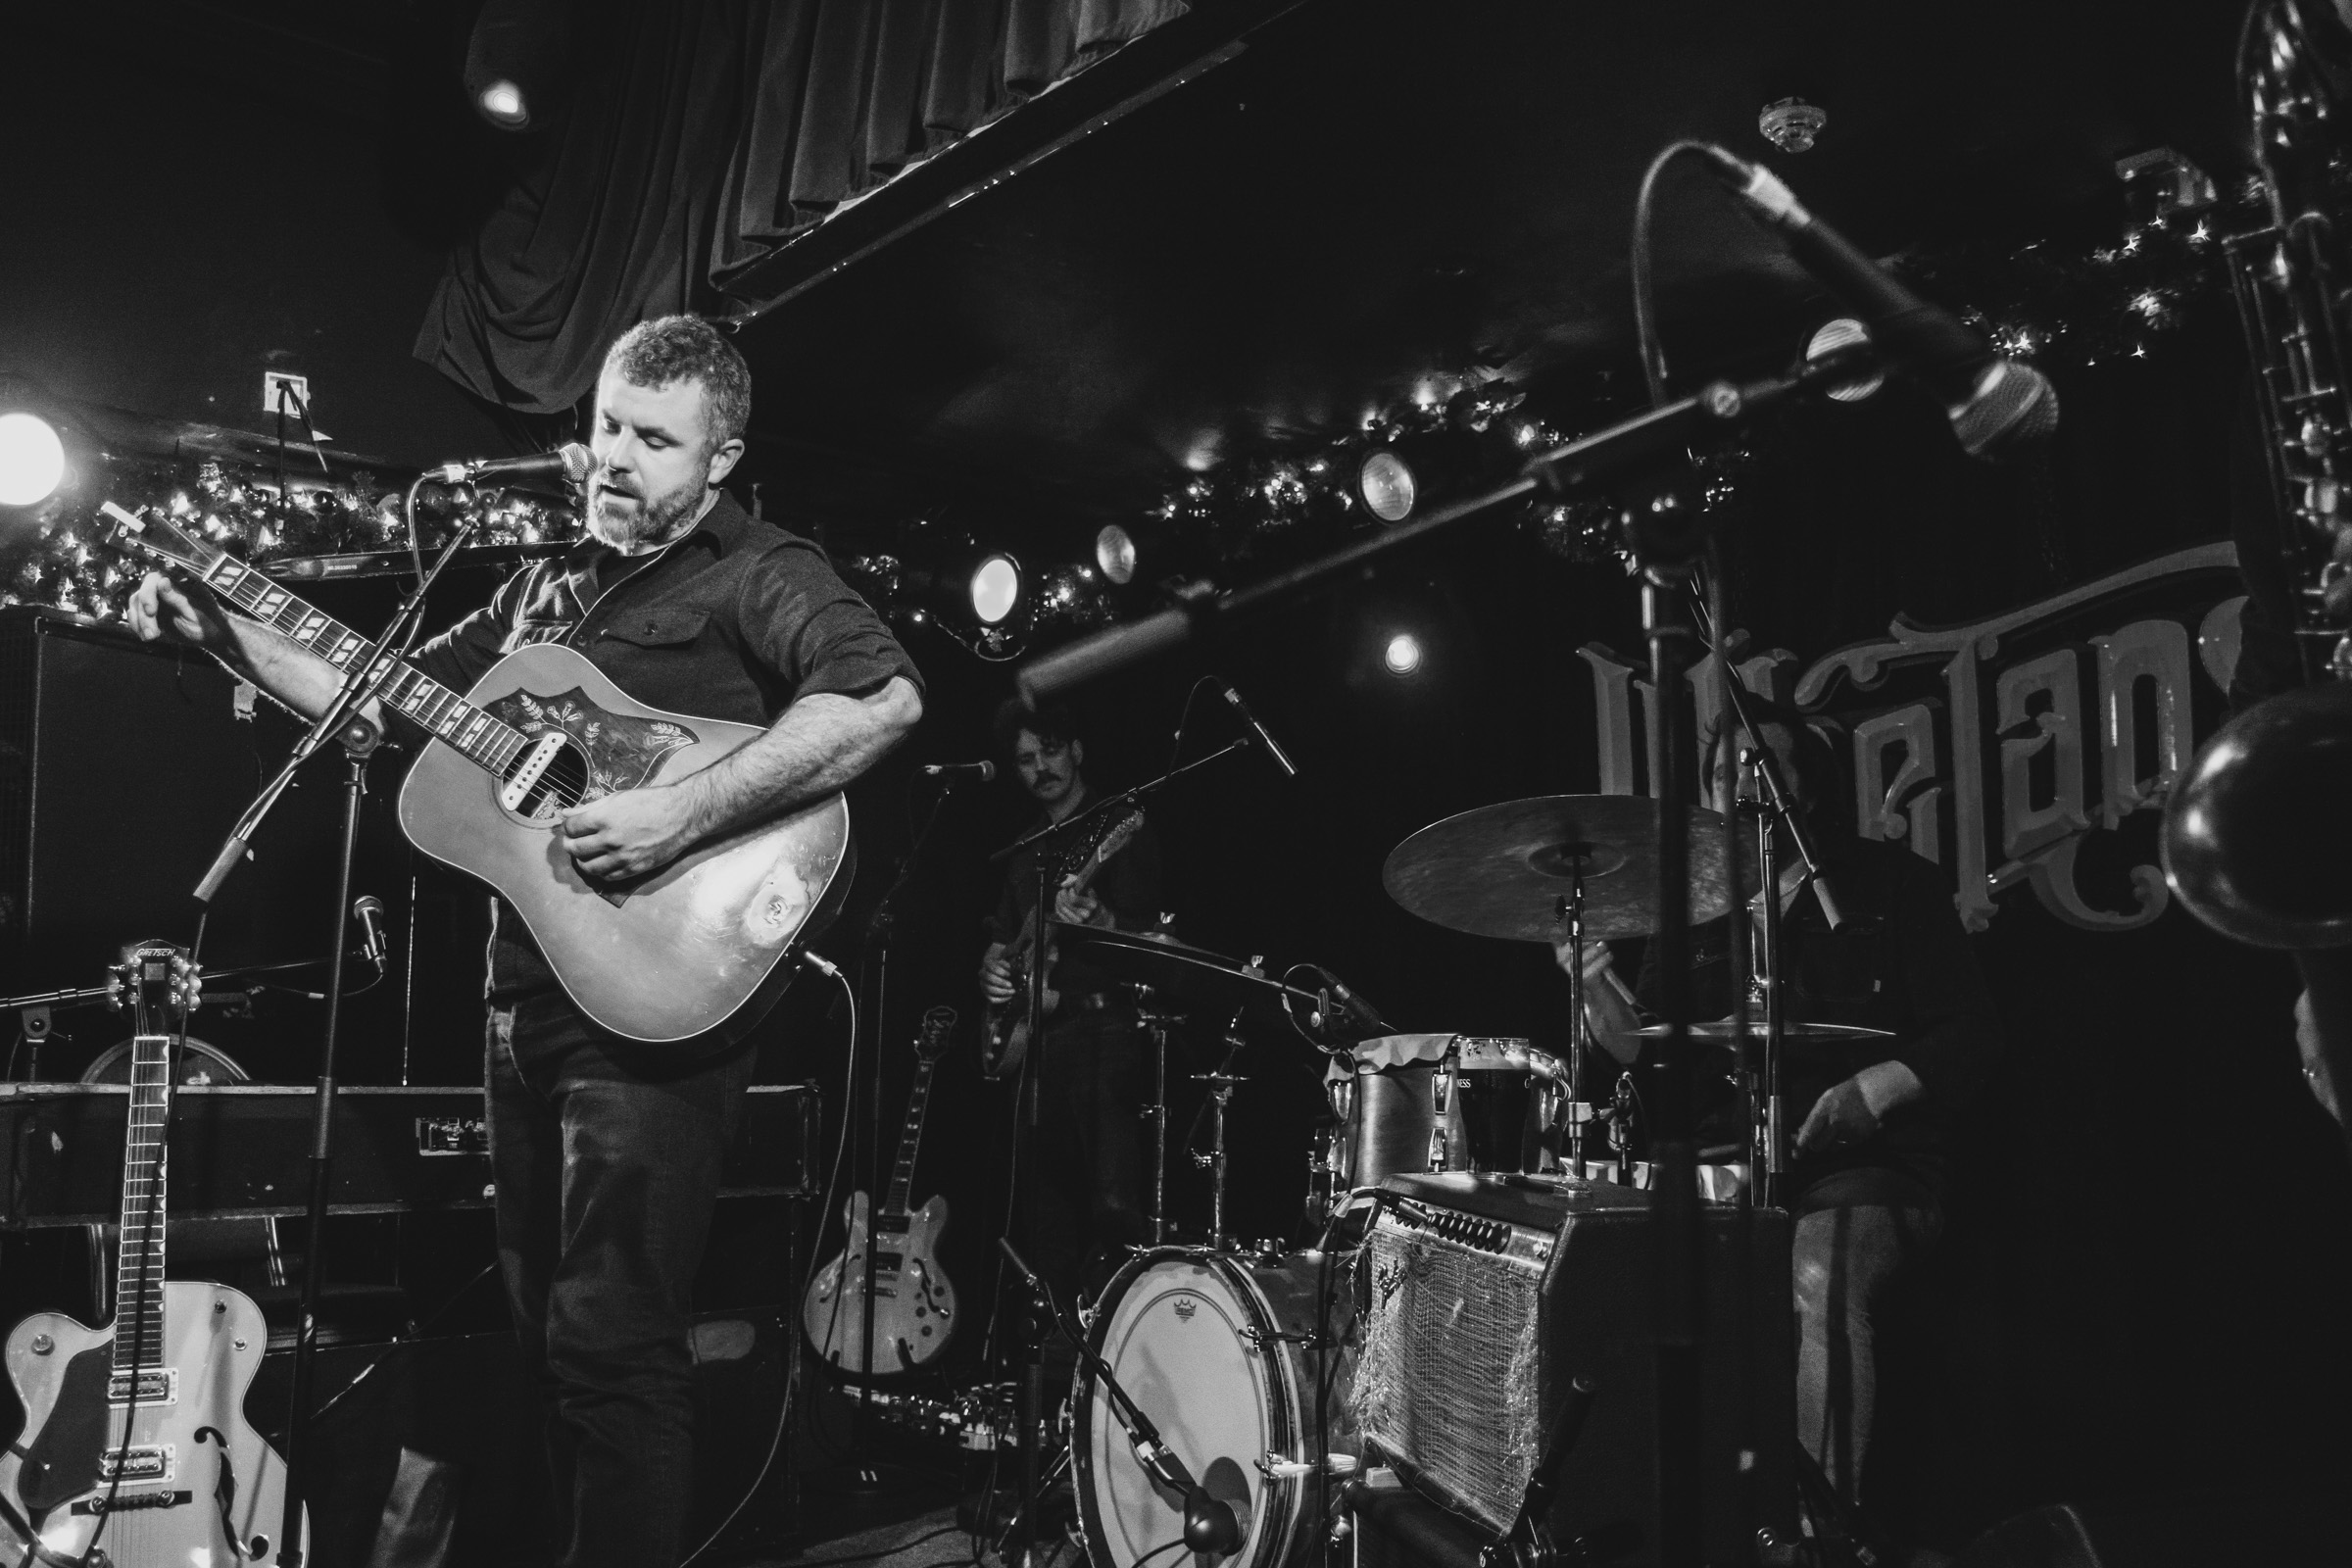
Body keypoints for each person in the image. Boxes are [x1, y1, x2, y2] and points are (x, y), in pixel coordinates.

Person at [127, 316, 924, 1568]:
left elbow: (881, 699)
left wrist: (677, 811)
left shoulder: (759, 570)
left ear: (718, 460)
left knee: (614, 1340)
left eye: (652, 439)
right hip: (524, 1002)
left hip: (654, 1003)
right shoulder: (538, 593)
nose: (612, 456)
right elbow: (372, 702)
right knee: (548, 1342)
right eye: (605, 424)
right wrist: (220, 624)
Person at [1565, 702, 1999, 1531]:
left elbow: (1973, 1034)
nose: (1740, 782)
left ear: (1807, 784)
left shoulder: (1889, 885)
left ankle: (1818, 1536)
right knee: (1606, 1273)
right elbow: (1641, 1056)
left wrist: (1872, 1094)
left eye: (1764, 766)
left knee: (1817, 1273)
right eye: (1724, 771)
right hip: (1722, 1165)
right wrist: (1594, 994)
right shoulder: (1685, 908)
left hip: (1870, 1167)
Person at [978, 707, 1163, 1305]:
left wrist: (1105, 921)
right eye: (1026, 760)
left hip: (1106, 1027)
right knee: (1043, 1211)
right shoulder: (1021, 848)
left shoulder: (1117, 824)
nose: (1041, 769)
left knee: (1113, 1204)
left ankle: (1122, 1338)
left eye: (1050, 752)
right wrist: (991, 972)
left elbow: (1156, 938)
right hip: (1037, 1041)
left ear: (1077, 751)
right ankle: (1050, 1359)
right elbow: (1002, 941)